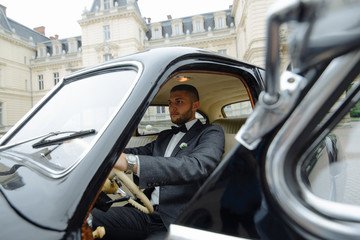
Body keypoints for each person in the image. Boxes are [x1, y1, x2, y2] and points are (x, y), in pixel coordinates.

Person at [91, 84, 225, 239]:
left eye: (179, 102)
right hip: (145, 211)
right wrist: (98, 152)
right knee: (86, 219)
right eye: (170, 103)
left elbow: (198, 166)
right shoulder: (165, 136)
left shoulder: (211, 132)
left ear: (195, 105)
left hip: (178, 219)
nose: (172, 108)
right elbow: (138, 152)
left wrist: (129, 162)